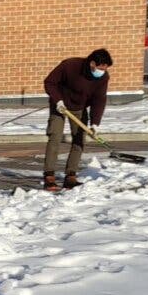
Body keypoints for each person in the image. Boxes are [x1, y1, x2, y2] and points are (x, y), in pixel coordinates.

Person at [43, 48, 113, 191]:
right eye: (100, 68)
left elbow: (99, 100)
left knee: (80, 139)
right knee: (55, 136)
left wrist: (95, 124)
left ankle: (71, 176)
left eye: (105, 69)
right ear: (92, 63)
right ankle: (49, 176)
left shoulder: (103, 77)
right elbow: (49, 82)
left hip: (79, 108)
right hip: (60, 106)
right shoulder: (70, 66)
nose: (102, 72)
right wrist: (58, 101)